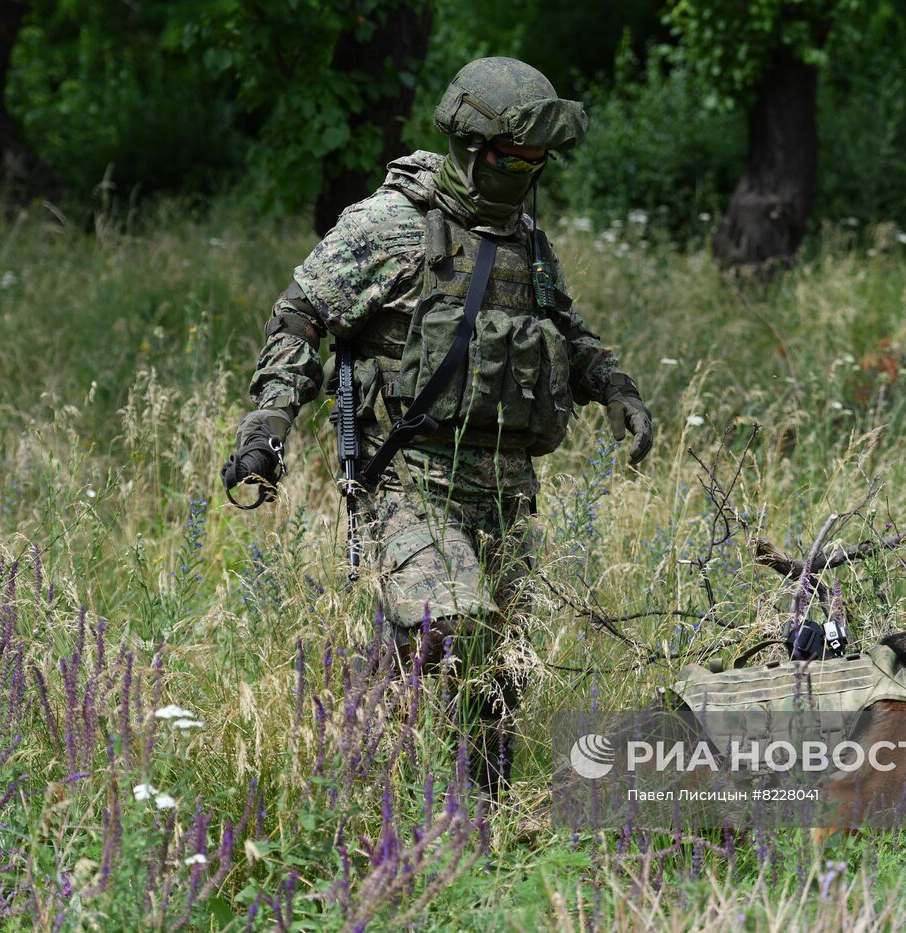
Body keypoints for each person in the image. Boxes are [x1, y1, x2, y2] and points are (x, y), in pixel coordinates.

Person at [221, 56, 653, 797]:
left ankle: (478, 824)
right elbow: (301, 317)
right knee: (446, 624)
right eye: (512, 156)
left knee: (500, 673)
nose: (525, 170)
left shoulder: (528, 244)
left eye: (537, 159)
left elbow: (563, 330)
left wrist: (616, 389)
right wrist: (267, 424)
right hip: (409, 479)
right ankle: (359, 782)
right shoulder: (388, 227)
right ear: (472, 146)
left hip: (509, 492)